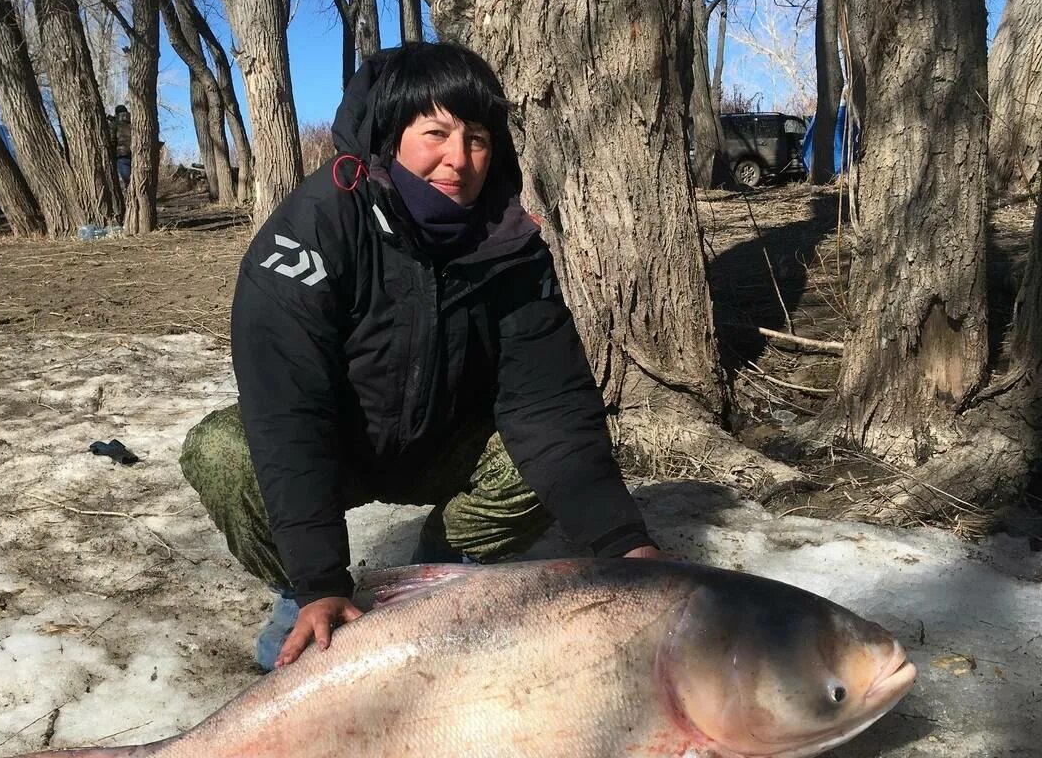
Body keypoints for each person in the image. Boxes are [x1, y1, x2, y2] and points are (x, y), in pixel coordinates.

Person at [180, 42, 665, 672]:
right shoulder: (313, 229)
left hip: (444, 442)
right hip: (335, 448)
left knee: (532, 470)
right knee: (224, 452)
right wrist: (319, 578)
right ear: (391, 132)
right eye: (435, 132)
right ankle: (303, 599)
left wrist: (626, 544)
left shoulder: (514, 244)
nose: (458, 161)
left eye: (479, 139)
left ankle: (436, 575)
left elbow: (549, 402)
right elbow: (289, 413)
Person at [111, 105, 132, 187]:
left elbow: (112, 140)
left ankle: (132, 194)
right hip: (137, 153)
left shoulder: (115, 123)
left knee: (128, 181)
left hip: (122, 155)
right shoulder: (135, 120)